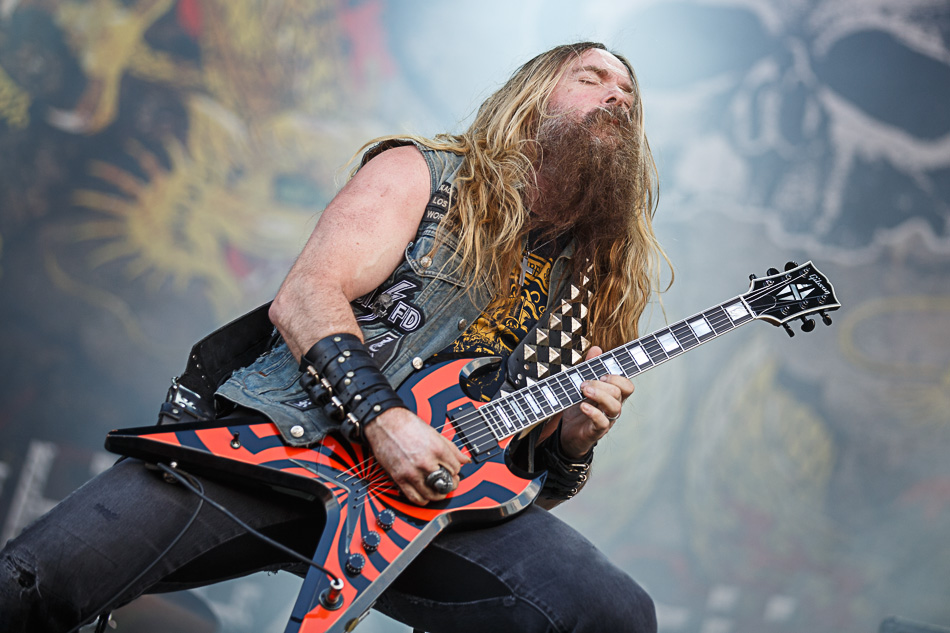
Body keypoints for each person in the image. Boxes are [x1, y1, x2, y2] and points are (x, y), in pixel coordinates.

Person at [0, 41, 668, 632]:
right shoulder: (426, 174)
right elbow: (305, 297)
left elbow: (528, 476)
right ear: (531, 97)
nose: (617, 95)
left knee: (612, 613)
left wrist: (571, 444)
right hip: (281, 443)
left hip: (423, 507)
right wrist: (386, 420)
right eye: (592, 78)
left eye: (629, 95)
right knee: (28, 584)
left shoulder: (596, 282)